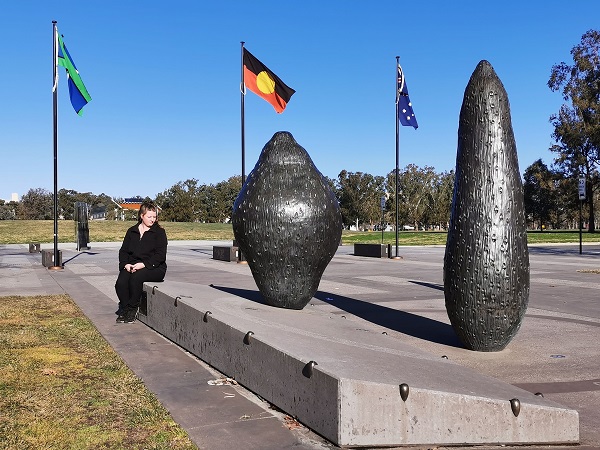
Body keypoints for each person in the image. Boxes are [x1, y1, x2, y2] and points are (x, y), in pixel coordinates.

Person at [115, 201, 167, 323]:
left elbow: (160, 256)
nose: (152, 219)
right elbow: (123, 251)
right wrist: (125, 264)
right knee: (121, 284)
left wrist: (143, 264)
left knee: (136, 278)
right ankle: (125, 306)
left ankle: (133, 309)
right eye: (149, 217)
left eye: (154, 217)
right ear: (141, 216)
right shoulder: (132, 231)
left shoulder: (159, 232)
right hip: (132, 265)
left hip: (155, 267)